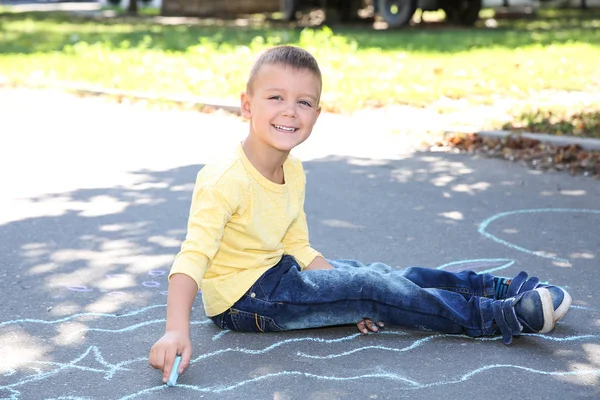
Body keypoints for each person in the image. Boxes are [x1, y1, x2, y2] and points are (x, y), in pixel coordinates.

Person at [148, 45, 572, 383]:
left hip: (278, 274)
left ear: (317, 112)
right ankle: (499, 317)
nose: (290, 111)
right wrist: (175, 328)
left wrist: (341, 290)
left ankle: (493, 289)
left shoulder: (291, 169)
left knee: (380, 276)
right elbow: (193, 256)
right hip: (245, 302)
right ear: (247, 105)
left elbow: (296, 245)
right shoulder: (224, 178)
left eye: (304, 102)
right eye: (275, 97)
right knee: (371, 286)